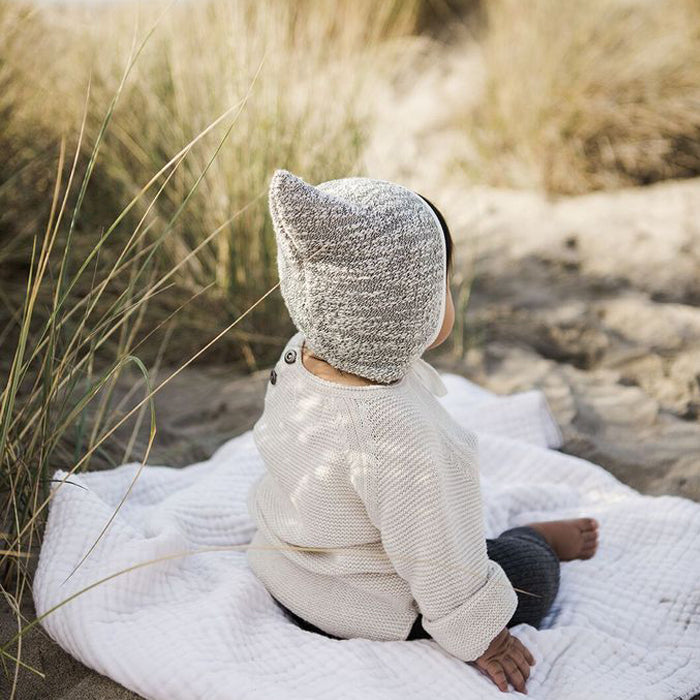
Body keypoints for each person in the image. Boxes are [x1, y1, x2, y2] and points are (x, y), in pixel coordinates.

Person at [246, 168, 599, 695]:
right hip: (376, 608)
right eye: (444, 286)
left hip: (292, 574)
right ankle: (537, 538)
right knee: (525, 574)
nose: (449, 296)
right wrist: (485, 638)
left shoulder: (303, 352)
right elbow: (436, 557)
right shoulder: (398, 433)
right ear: (403, 309)